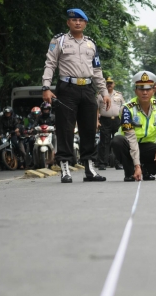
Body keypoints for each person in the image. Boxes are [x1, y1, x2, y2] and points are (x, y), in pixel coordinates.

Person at [42, 8, 109, 183]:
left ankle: (90, 168)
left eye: (81, 20)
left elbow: (97, 70)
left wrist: (104, 92)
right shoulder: (59, 40)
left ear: (85, 23)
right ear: (68, 23)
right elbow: (50, 64)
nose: (77, 22)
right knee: (65, 128)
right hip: (67, 89)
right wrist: (46, 87)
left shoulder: (91, 44)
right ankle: (65, 167)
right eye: (74, 20)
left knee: (88, 129)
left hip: (87, 89)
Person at [111, 71, 156, 181]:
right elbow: (131, 138)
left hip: (148, 146)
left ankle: (148, 170)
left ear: (153, 90)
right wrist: (136, 165)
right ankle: (130, 172)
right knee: (117, 140)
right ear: (135, 91)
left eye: (148, 89)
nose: (144, 93)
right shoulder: (127, 109)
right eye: (141, 89)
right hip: (129, 146)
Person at [97, 77, 125, 170]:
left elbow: (124, 107)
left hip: (117, 120)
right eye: (107, 83)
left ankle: (118, 162)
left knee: (118, 142)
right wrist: (96, 121)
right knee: (104, 142)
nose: (109, 85)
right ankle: (102, 163)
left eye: (111, 83)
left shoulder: (119, 95)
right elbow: (96, 108)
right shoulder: (100, 95)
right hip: (105, 120)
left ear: (114, 84)